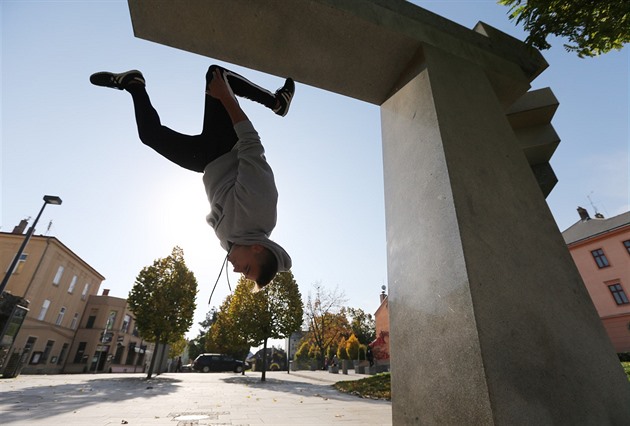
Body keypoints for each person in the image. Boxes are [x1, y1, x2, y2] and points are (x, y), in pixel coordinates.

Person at [89, 65, 294, 290]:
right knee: (217, 76)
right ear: (258, 248)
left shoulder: (230, 243)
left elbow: (215, 213)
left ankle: (134, 84)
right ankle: (277, 103)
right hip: (227, 146)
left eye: (242, 274)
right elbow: (252, 145)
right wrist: (225, 97)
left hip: (206, 161)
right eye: (245, 269)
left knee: (150, 135)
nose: (235, 270)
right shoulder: (260, 211)